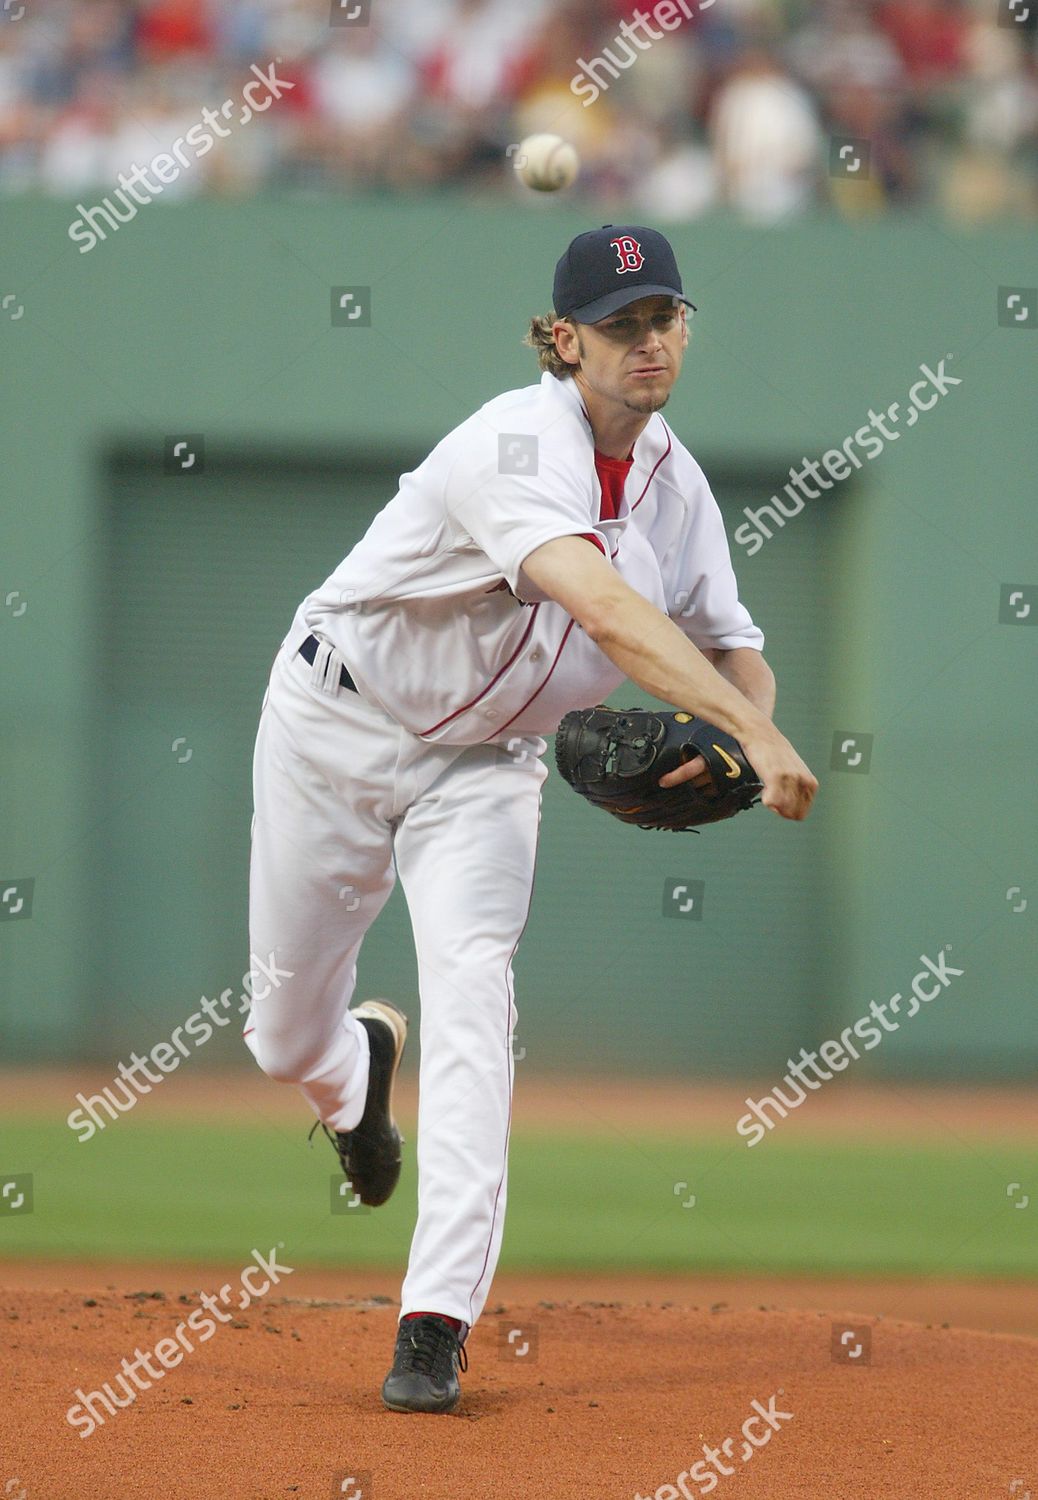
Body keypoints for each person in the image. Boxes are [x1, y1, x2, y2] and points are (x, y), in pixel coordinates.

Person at [243, 224, 818, 1415]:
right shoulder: (512, 443)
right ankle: (353, 1080)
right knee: (281, 1038)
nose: (650, 339)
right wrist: (755, 740)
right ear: (565, 340)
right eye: (622, 323)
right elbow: (604, 609)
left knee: (475, 993)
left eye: (666, 316)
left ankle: (434, 1320)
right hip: (337, 722)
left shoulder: (678, 484)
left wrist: (734, 724)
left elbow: (733, 644)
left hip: (489, 768)